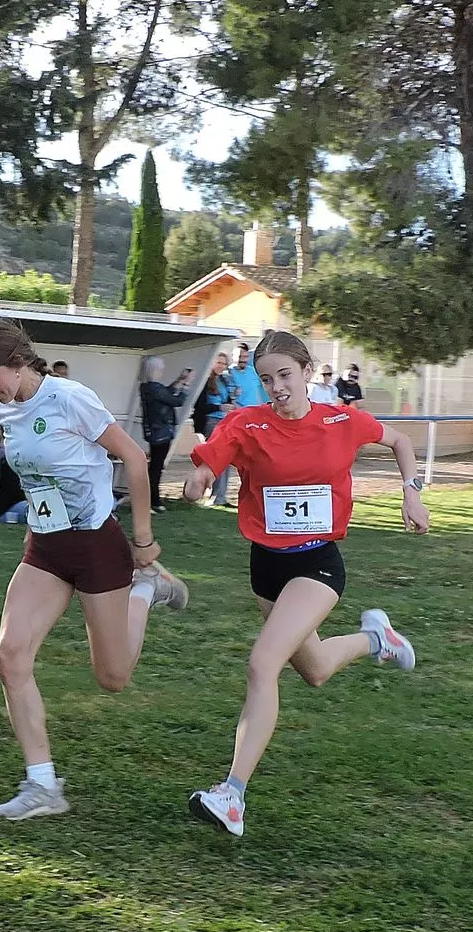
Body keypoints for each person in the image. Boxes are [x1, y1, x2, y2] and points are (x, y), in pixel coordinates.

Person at [181, 329, 429, 839]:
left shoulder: (341, 420)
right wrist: (199, 480)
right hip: (266, 567)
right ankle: (377, 639)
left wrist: (412, 492)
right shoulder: (246, 424)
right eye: (267, 378)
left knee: (262, 663)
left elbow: (401, 440)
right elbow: (209, 462)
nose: (277, 387)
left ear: (308, 371)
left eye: (286, 375)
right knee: (314, 670)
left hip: (318, 564)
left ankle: (232, 795)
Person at [0, 316, 189, 822]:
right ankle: (43, 785)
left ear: (18, 363)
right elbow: (36, 477)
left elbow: (133, 459)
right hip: (45, 548)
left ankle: (144, 591)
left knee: (113, 678)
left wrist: (144, 539)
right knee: (10, 657)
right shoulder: (6, 408)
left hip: (95, 546)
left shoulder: (70, 398)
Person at [137, 356, 191, 513]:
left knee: (155, 466)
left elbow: (167, 393)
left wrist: (179, 380)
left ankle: (151, 500)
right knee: (156, 467)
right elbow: (176, 401)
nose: (163, 371)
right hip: (161, 432)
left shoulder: (148, 387)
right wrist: (186, 384)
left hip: (155, 431)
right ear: (155, 370)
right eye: (161, 369)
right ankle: (152, 500)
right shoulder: (154, 388)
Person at [202, 352, 241, 507]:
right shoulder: (205, 381)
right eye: (218, 362)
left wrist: (233, 400)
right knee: (217, 460)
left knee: (225, 461)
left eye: (224, 364)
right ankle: (215, 496)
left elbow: (228, 401)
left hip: (224, 422)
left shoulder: (224, 380)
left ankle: (219, 495)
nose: (221, 366)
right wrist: (219, 406)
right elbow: (200, 407)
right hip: (212, 422)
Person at [231, 342, 267, 406]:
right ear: (233, 356)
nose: (242, 360)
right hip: (239, 412)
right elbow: (229, 399)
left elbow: (256, 392)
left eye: (245, 356)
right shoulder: (228, 373)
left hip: (255, 411)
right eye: (239, 356)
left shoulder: (252, 371)